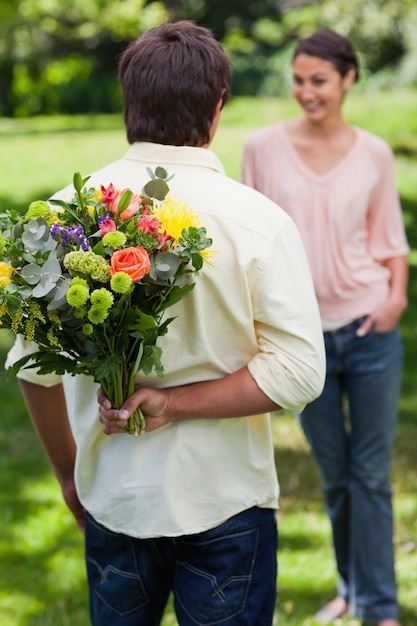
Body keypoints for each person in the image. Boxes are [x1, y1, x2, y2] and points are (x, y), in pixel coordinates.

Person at [6, 21, 326, 626]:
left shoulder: (61, 218)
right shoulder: (257, 221)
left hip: (113, 494)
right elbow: (301, 374)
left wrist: (69, 475)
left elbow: (32, 369)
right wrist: (174, 406)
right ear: (218, 105)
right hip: (226, 500)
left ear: (129, 100)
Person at [241, 27, 409, 626]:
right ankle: (350, 589)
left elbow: (391, 243)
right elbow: (247, 243)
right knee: (336, 479)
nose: (306, 92)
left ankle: (379, 607)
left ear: (348, 80)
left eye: (319, 81)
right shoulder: (260, 148)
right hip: (301, 340)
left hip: (369, 332)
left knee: (369, 478)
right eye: (298, 80)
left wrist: (393, 302)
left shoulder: (374, 154)